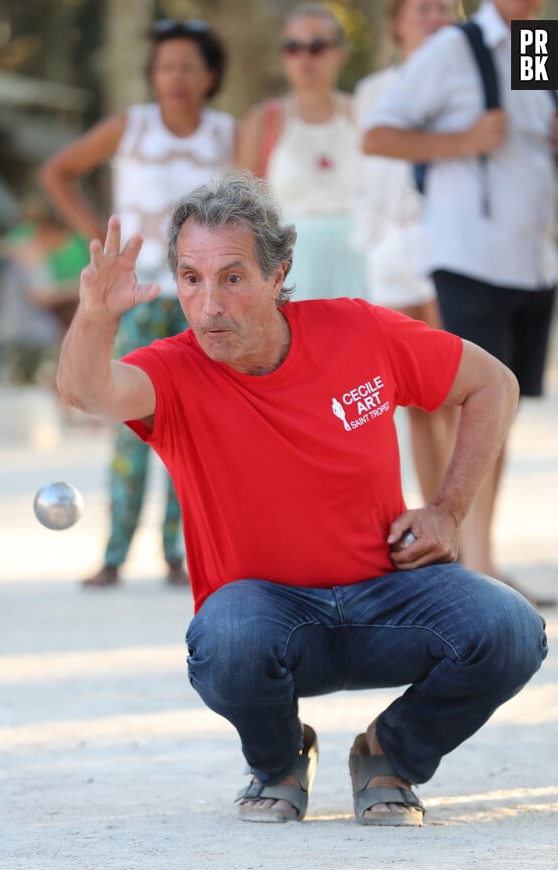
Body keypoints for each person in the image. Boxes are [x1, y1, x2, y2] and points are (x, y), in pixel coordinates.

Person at [56, 171, 547, 827]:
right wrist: (94, 316)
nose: (209, 305)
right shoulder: (172, 370)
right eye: (191, 279)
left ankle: (388, 755)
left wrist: (449, 508)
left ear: (278, 271)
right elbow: (87, 393)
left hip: (389, 599)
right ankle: (281, 761)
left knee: (511, 629)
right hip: (266, 622)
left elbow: (494, 384)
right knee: (225, 640)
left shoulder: (358, 331)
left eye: (232, 277)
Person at [363, 0, 556, 602]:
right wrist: (465, 139)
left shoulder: (536, 44)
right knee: (473, 403)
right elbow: (379, 136)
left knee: (504, 411)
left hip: (533, 260)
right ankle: (473, 569)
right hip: (469, 259)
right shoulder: (453, 46)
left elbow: (539, 134)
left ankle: (482, 558)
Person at [39, 19, 236, 587]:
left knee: (196, 426)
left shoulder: (229, 135)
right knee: (129, 422)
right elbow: (58, 172)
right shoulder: (131, 127)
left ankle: (182, 553)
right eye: (164, 67)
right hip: (138, 297)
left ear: (211, 75)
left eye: (187, 67)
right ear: (151, 76)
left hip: (204, 302)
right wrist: (98, 240)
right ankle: (114, 554)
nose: (174, 78)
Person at [352, 0, 456, 504]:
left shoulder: (520, 47)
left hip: (457, 245)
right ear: (396, 23)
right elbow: (368, 158)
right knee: (414, 397)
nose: (435, 16)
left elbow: (539, 76)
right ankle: (441, 525)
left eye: (445, 7)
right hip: (391, 245)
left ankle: (474, 540)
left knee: (464, 391)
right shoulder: (374, 90)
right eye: (423, 7)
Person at [237, 3, 366, 300]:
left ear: (340, 54)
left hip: (362, 264)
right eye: (293, 46)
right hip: (292, 269)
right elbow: (243, 208)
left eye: (317, 46)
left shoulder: (363, 113)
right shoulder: (263, 121)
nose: (305, 57)